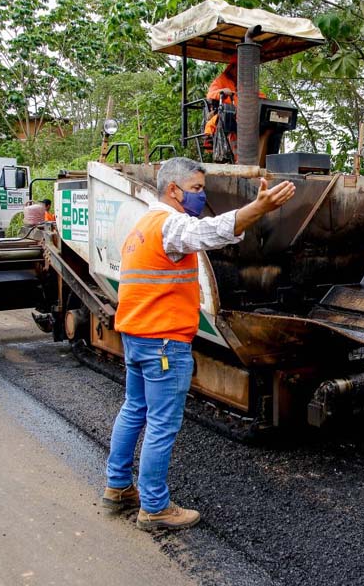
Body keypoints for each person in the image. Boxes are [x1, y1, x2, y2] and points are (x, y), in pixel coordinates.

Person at [102, 157, 295, 530]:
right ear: (172, 190)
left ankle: (118, 487)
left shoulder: (142, 224)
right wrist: (259, 208)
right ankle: (155, 508)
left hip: (137, 336)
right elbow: (210, 232)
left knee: (133, 410)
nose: (200, 195)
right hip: (163, 342)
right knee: (161, 423)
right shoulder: (170, 225)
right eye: (195, 189)